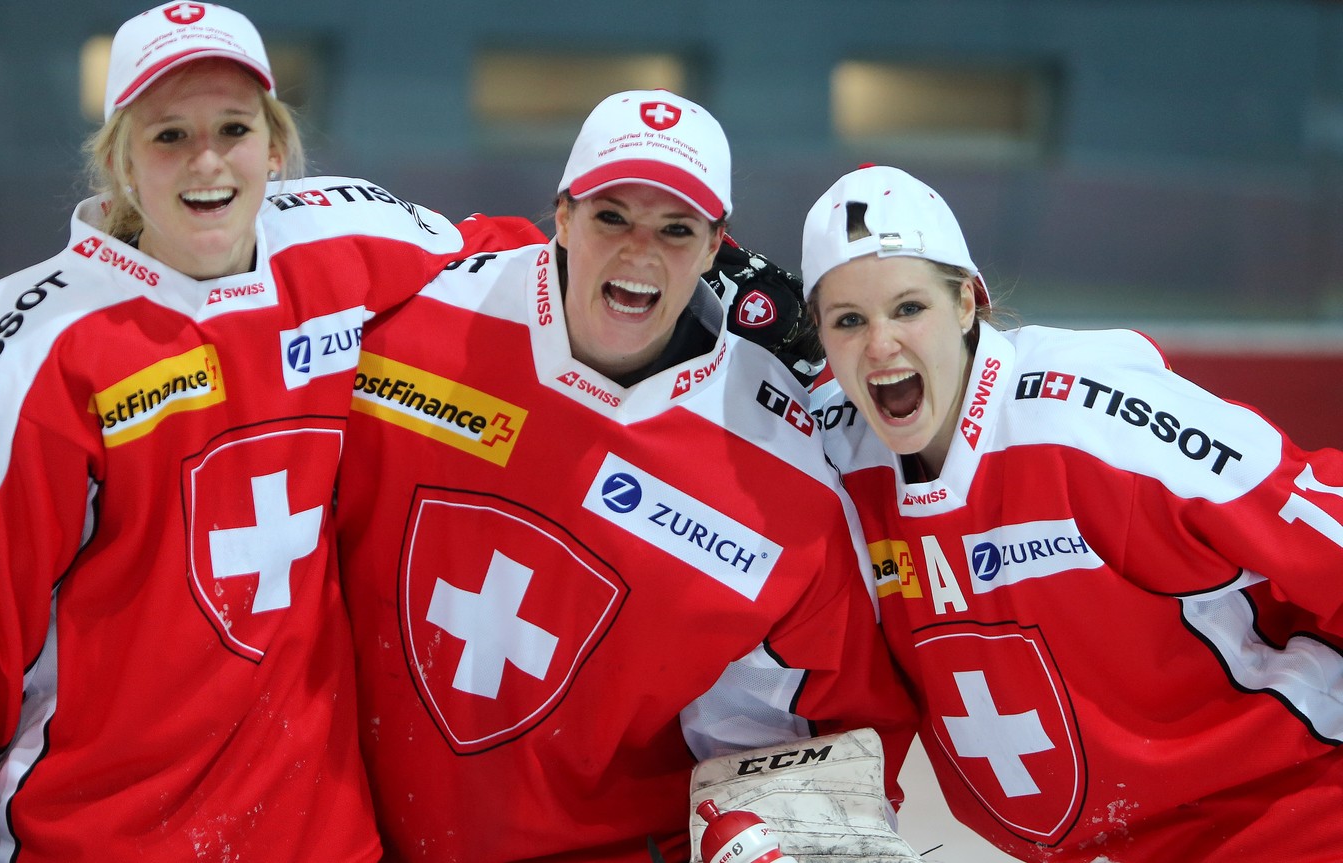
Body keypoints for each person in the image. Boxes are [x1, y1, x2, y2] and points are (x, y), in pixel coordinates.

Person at [0, 4, 540, 862]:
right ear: (119, 162)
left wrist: (719, 295)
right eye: (169, 134)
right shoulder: (23, 346)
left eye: (233, 128)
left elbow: (519, 266)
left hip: (318, 837)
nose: (207, 160)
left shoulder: (343, 239)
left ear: (276, 146)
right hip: (96, 835)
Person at [332, 90, 918, 863]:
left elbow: (818, 744)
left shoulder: (782, 478)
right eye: (612, 216)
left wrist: (790, 834)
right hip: (345, 832)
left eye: (676, 230)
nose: (640, 251)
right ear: (564, 216)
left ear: (715, 246)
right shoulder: (411, 321)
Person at [801, 163, 1343, 862]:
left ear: (968, 302)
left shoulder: (1092, 422)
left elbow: (1322, 527)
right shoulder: (834, 459)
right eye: (848, 320)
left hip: (1291, 816)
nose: (880, 344)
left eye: (909, 308)